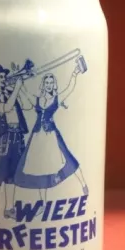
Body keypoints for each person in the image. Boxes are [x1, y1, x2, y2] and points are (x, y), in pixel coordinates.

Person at [14, 63, 89, 214]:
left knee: (68, 158)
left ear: (54, 84)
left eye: (51, 82)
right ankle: (43, 203)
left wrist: (74, 73)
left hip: (52, 134)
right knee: (40, 168)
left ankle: (83, 184)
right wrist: (18, 79)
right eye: (47, 82)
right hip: (37, 137)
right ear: (43, 84)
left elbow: (69, 88)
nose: (49, 85)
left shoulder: (56, 98)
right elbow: (25, 92)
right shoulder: (37, 99)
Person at [0, 64, 32, 224]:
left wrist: (21, 88)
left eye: (4, 76)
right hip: (2, 139)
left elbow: (28, 105)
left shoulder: (10, 92)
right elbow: (4, 108)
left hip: (16, 137)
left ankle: (9, 208)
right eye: (0, 77)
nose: (3, 79)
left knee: (12, 176)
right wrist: (17, 88)